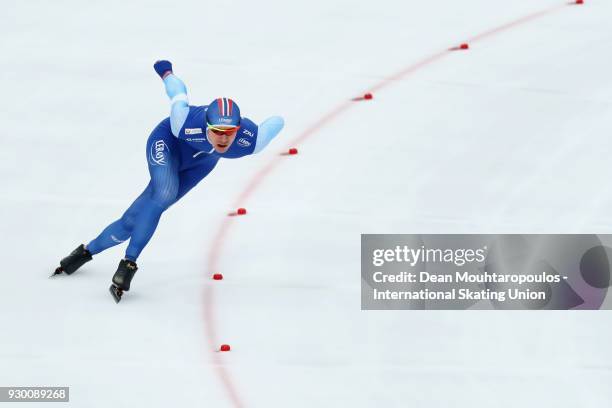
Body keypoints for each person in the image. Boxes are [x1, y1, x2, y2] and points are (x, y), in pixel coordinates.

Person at [53, 60, 285, 302]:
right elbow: (178, 93)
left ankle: (85, 252)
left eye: (229, 133)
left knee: (134, 219)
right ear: (206, 126)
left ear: (238, 129)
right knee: (164, 191)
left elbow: (277, 122)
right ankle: (129, 263)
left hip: (201, 163)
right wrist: (166, 72)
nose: (223, 139)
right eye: (216, 131)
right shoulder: (184, 122)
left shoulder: (250, 141)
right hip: (167, 143)